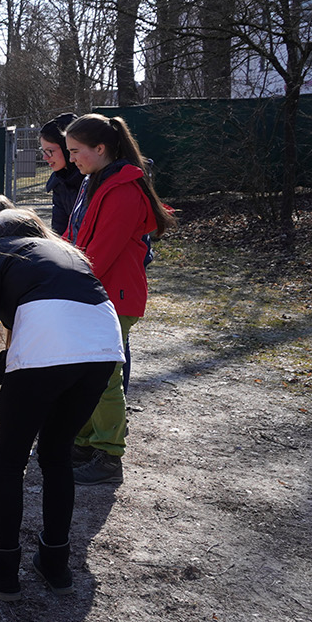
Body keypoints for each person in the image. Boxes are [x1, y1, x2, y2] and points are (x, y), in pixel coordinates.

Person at [0, 208, 122, 600]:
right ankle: (55, 562)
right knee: (56, 454)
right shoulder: (60, 251)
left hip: (52, 350)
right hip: (102, 345)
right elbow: (50, 320)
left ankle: (3, 565)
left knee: (9, 460)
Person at [62, 114, 176, 486]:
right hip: (92, 292)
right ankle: (83, 441)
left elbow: (101, 253)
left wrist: (61, 280)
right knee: (81, 373)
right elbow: (73, 233)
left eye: (76, 151)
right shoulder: (93, 182)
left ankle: (109, 455)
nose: (72, 158)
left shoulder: (124, 190)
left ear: (101, 148)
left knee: (102, 377)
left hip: (114, 296)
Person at [39, 112, 84, 235]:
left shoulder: (93, 178)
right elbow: (59, 228)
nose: (45, 157)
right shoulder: (59, 181)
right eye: (43, 151)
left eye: (49, 151)